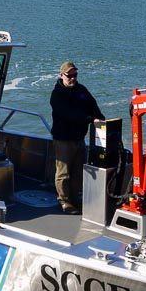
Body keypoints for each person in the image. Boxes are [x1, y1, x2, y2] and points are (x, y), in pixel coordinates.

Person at [50, 60, 103, 214]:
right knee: (64, 172)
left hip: (79, 138)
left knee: (78, 171)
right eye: (69, 75)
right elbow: (68, 115)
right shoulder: (57, 95)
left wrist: (99, 117)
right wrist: (89, 119)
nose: (73, 78)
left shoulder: (81, 90)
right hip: (63, 139)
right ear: (61, 75)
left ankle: (75, 198)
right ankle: (64, 201)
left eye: (75, 75)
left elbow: (92, 105)